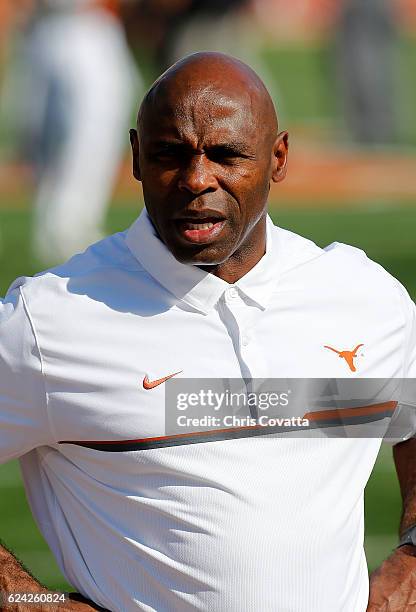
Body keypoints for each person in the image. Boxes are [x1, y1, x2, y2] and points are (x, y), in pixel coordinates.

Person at [0, 51, 415, 611]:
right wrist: (26, 600)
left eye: (226, 155)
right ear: (136, 158)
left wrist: (412, 561)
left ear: (278, 158)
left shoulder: (362, 296)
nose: (197, 180)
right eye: (170, 154)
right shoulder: (45, 320)